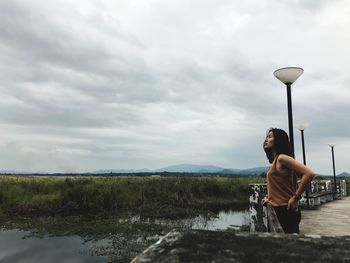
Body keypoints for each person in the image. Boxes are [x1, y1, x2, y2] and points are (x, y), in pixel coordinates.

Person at [261, 128, 315, 234]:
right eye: (266, 137)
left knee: (289, 246)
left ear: (279, 140)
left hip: (286, 210)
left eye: (270, 136)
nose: (266, 140)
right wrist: (269, 199)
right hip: (276, 209)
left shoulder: (282, 158)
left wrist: (295, 198)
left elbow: (309, 174)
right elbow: (280, 185)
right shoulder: (274, 162)